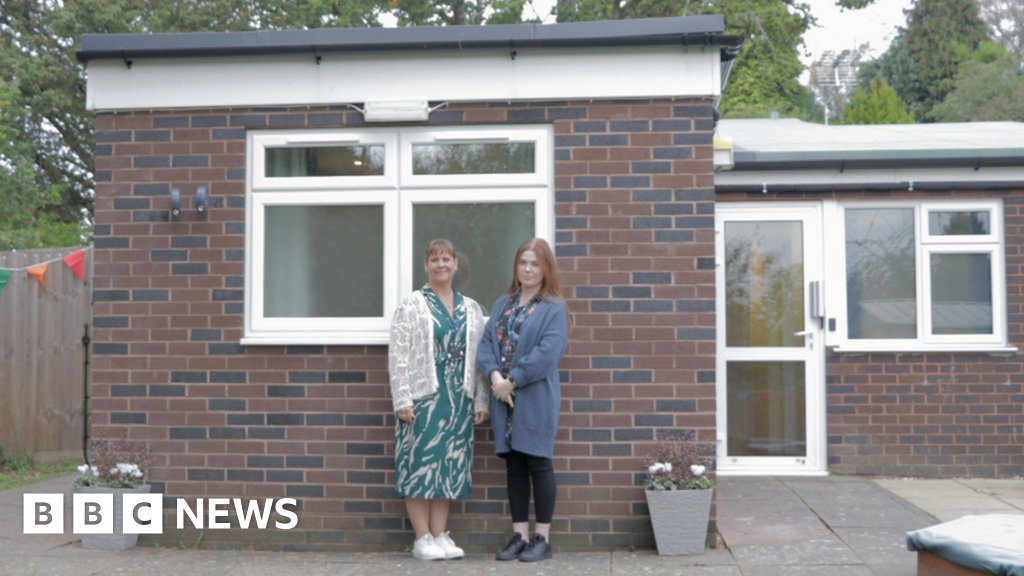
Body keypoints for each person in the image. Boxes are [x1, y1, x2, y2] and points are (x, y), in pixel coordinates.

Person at [389, 239, 489, 561]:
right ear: (426, 265)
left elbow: (478, 358)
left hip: (458, 398)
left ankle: (440, 534)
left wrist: (481, 400)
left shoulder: (471, 308)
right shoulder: (412, 305)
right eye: (435, 259)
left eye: (447, 259)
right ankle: (422, 537)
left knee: (450, 465)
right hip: (423, 398)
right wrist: (401, 397)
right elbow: (398, 355)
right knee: (420, 464)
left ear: (456, 264)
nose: (441, 264)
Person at [477, 238, 571, 563]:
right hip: (503, 399)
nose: (528, 269)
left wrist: (512, 381)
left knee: (539, 464)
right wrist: (495, 380)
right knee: (514, 466)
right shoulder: (503, 303)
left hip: (536, 398)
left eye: (535, 264)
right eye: (523, 263)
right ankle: (520, 536)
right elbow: (486, 346)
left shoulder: (554, 308)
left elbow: (548, 354)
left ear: (546, 269)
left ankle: (542, 540)